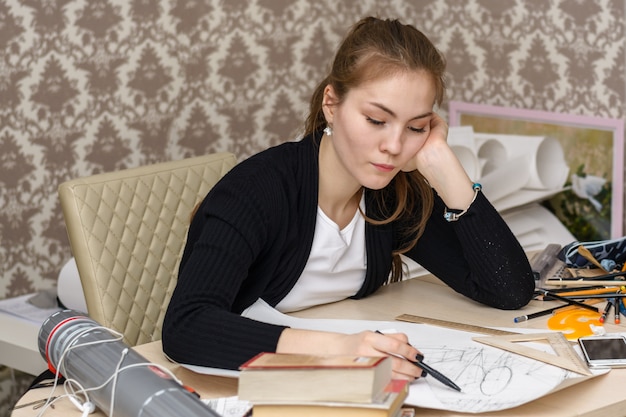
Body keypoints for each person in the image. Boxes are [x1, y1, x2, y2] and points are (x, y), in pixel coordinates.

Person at [162, 16, 535, 381]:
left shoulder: (392, 196)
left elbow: (509, 289)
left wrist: (446, 170)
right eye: (376, 120)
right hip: (245, 391)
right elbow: (186, 327)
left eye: (416, 127)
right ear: (332, 104)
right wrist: (339, 349)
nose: (393, 146)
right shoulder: (257, 191)